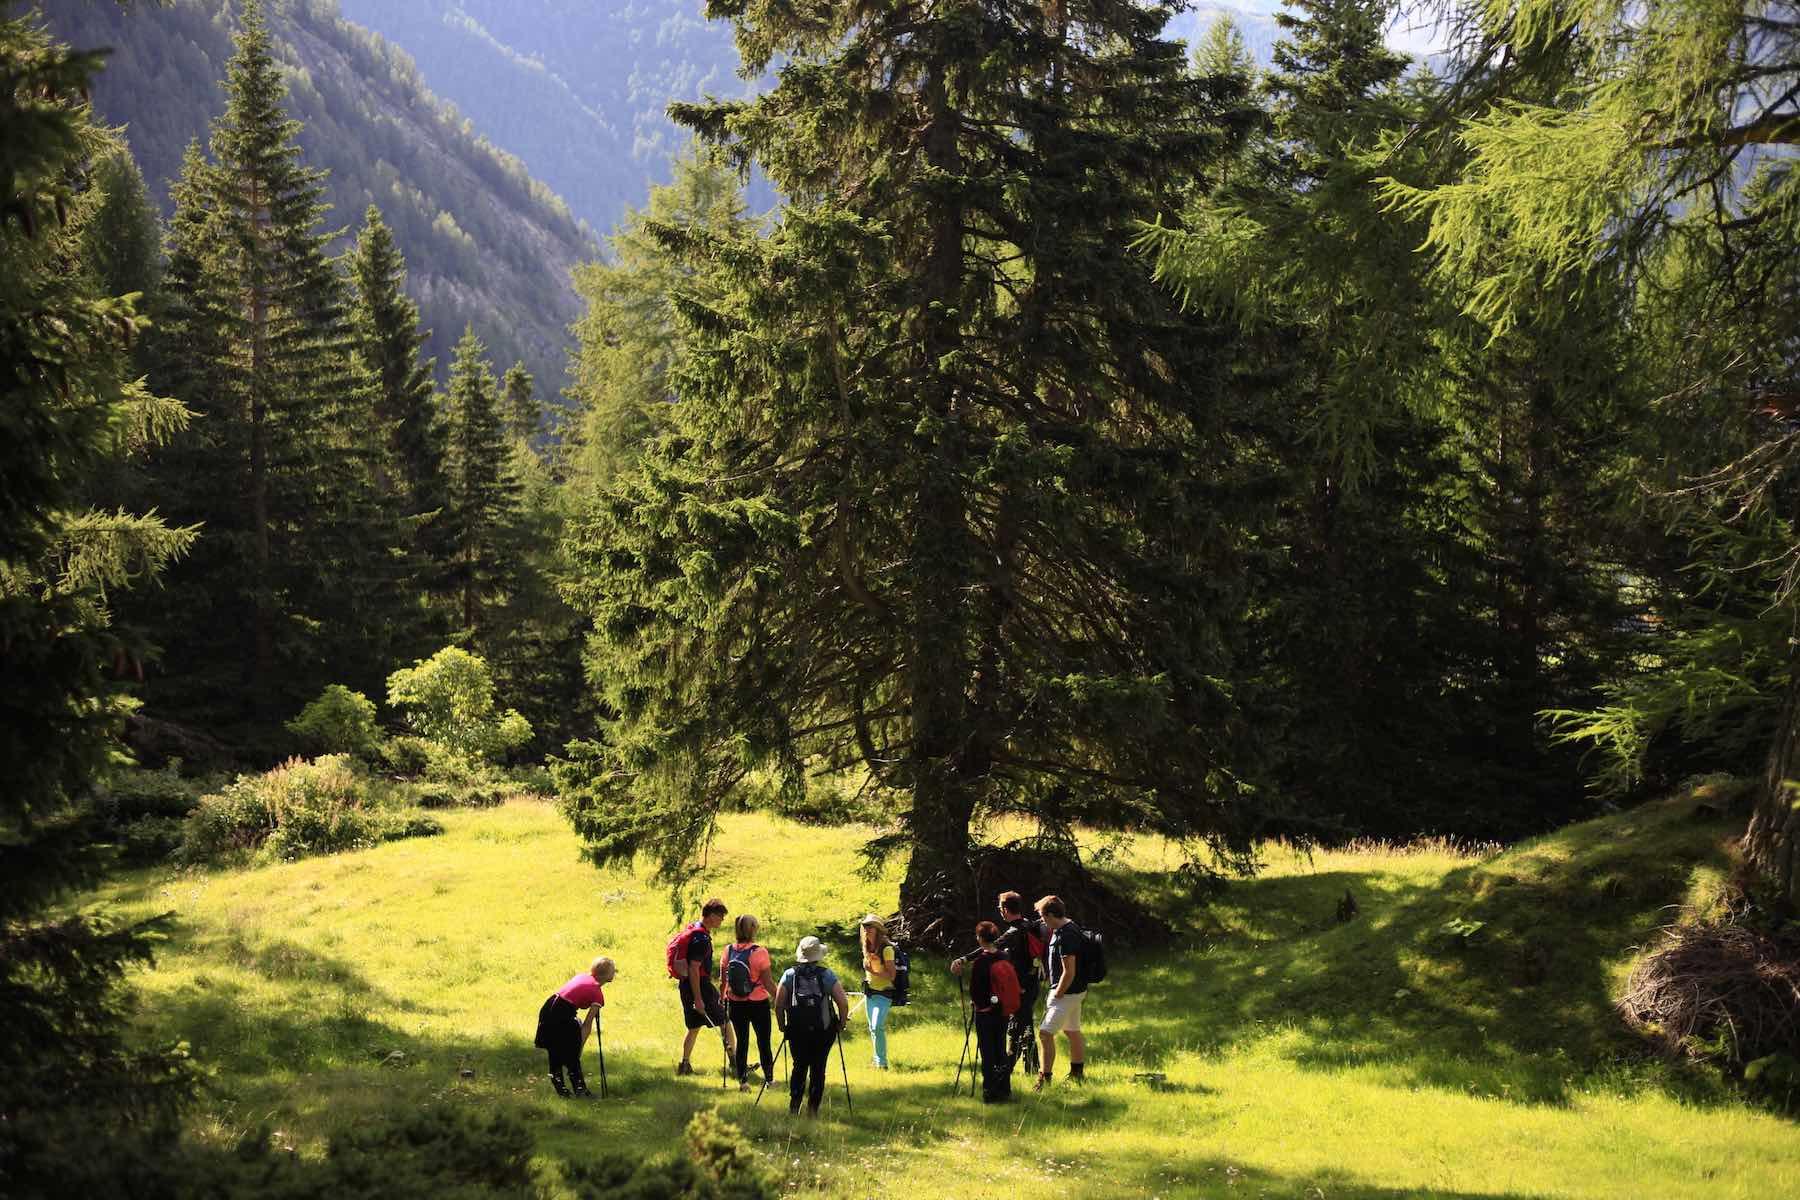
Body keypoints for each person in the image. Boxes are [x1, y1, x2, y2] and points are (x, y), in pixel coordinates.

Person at [950, 891, 1045, 1074]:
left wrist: (964, 959)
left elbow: (989, 948)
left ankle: (1011, 1068)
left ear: (1005, 909)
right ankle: (1026, 1067)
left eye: (1000, 908)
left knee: (1020, 1026)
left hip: (1020, 988)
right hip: (1032, 985)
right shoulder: (1030, 925)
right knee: (1022, 1025)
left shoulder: (1014, 932)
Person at [775, 934, 851, 1116]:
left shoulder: (789, 975)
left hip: (797, 1030)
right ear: (818, 956)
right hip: (823, 1030)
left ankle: (794, 1107)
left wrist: (782, 1025)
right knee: (818, 1068)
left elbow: (778, 1004)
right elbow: (843, 1003)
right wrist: (841, 1024)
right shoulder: (826, 975)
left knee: (799, 1066)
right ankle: (812, 1111)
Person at [534, 955, 614, 1098]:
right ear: (607, 975)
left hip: (548, 1007)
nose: (615, 973)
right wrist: (579, 1047)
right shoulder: (597, 994)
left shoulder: (583, 976)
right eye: (613, 970)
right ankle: (580, 1091)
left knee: (554, 1049)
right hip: (562, 1014)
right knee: (571, 1055)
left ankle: (562, 1091)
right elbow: (587, 1024)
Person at [673, 897, 735, 1076]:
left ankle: (684, 1065)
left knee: (693, 1027)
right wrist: (698, 998)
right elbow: (694, 968)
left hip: (686, 985)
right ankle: (735, 1064)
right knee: (724, 1022)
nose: (722, 920)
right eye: (721, 916)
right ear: (712, 915)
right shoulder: (701, 938)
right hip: (700, 986)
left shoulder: (694, 928)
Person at [1034, 894, 1088, 1090]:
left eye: (1043, 917)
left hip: (1066, 993)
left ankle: (1044, 1079)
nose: (1042, 921)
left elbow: (1069, 971)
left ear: (1050, 915)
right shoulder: (1068, 927)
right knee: (1072, 1031)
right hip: (1075, 991)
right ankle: (1077, 1074)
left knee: (1045, 1033)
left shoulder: (1066, 935)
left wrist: (1058, 993)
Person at [967, 921, 1021, 1102]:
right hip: (1003, 1011)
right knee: (1000, 1049)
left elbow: (975, 990)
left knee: (987, 1051)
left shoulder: (981, 961)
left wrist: (976, 1003)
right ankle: (1004, 1090)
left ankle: (990, 1091)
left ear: (981, 939)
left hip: (985, 1012)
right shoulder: (1004, 956)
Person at [724, 913, 778, 1092]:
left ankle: (743, 1082)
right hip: (758, 1003)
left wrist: (723, 997)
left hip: (735, 1003)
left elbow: (724, 980)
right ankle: (769, 1080)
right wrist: (780, 999)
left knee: (742, 1042)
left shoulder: (728, 950)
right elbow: (768, 983)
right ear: (753, 929)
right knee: (764, 1042)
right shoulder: (760, 952)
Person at [858, 913, 898, 1069]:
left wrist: (872, 971)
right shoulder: (867, 946)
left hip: (884, 993)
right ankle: (877, 1060)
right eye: (865, 926)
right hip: (870, 993)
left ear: (878, 930)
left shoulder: (887, 949)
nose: (866, 929)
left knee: (877, 1026)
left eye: (870, 926)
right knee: (872, 1028)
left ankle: (882, 1063)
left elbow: (891, 975)